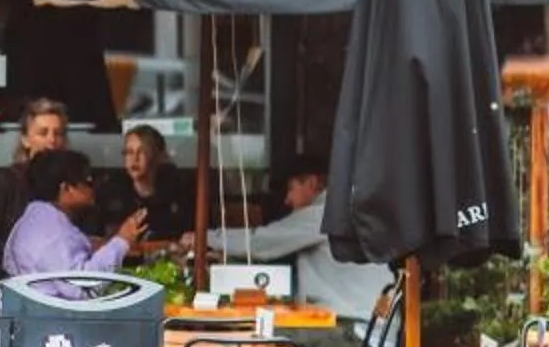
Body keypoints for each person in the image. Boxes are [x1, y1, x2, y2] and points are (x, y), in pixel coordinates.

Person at [201, 154, 386, 324]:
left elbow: (260, 243)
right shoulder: (350, 208)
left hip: (350, 326)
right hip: (364, 324)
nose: (287, 200)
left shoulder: (323, 213)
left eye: (291, 189)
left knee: (261, 335)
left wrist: (203, 238)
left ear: (312, 183)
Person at [2, 148, 139, 283]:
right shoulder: (56, 234)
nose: (93, 186)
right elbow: (84, 285)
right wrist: (122, 240)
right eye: (88, 180)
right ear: (66, 188)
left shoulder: (33, 219)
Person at [0, 98, 69, 263]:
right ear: (25, 139)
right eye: (43, 133)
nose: (52, 140)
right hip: (13, 276)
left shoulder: (74, 185)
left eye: (58, 133)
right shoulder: (6, 183)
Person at [100, 124, 192, 247]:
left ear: (158, 155)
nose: (134, 159)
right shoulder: (112, 193)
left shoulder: (177, 193)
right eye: (129, 152)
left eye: (142, 151)